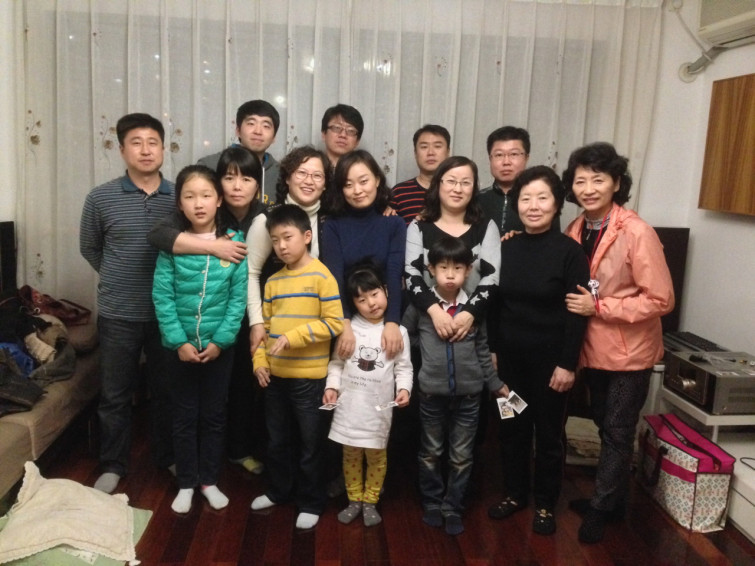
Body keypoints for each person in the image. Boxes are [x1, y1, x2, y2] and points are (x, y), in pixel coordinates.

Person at [562, 142, 674, 543]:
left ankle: (600, 508)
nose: (588, 188)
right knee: (603, 423)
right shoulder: (576, 227)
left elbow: (661, 299)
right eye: (580, 180)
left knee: (617, 429)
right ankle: (614, 500)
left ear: (616, 183)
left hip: (630, 352)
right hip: (593, 348)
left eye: (598, 179)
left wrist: (600, 306)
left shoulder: (637, 231)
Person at [148, 146, 268, 475]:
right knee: (186, 402)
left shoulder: (264, 214)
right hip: (191, 324)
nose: (237, 186)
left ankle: (232, 454)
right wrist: (214, 246)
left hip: (240, 315)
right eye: (229, 178)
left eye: (246, 179)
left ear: (258, 185)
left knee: (239, 389)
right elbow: (158, 235)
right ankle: (185, 465)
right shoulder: (202, 210)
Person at [486, 166, 590, 535]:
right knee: (511, 429)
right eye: (526, 198)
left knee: (548, 436)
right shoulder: (505, 247)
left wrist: (567, 364)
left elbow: (577, 314)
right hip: (509, 364)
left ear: (557, 203)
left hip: (550, 367)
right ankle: (515, 494)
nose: (533, 206)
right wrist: (493, 351)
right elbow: (494, 305)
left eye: (542, 198)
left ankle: (545, 503)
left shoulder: (571, 253)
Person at [80, 112, 175, 494]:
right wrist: (119, 278)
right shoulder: (100, 197)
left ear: (164, 149)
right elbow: (90, 248)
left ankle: (167, 456)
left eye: (153, 142)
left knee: (167, 392)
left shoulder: (179, 197)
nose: (146, 150)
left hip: (168, 314)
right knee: (115, 394)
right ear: (122, 150)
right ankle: (113, 464)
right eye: (136, 142)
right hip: (118, 314)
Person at [152, 165, 248, 514]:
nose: (198, 203)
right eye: (189, 196)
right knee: (183, 416)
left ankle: (208, 481)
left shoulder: (235, 242)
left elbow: (238, 300)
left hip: (219, 349)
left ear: (219, 200)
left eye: (206, 195)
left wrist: (221, 341)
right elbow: (162, 296)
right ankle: (186, 483)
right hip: (178, 349)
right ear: (179, 204)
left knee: (213, 416)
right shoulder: (173, 244)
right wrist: (179, 342)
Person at [402, 236, 506, 536]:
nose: (450, 275)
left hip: (470, 396)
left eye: (458, 268)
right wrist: (425, 345)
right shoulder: (422, 307)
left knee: (461, 456)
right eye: (443, 268)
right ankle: (432, 503)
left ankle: (453, 506)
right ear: (430, 270)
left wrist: (495, 384)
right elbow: (404, 335)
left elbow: (483, 349)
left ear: (468, 270)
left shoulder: (474, 308)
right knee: (430, 452)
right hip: (431, 394)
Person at [251, 204, 344, 530]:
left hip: (309, 381)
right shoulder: (273, 281)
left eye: (287, 237)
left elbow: (334, 323)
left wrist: (294, 337)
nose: (281, 246)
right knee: (277, 441)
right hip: (275, 379)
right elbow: (265, 329)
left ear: (306, 236)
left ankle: (311, 502)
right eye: (275, 240)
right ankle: (278, 491)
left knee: (310, 445)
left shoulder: (322, 276)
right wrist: (259, 362)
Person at [323, 262, 413, 527]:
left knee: (377, 458)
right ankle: (354, 500)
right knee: (350, 456)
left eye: (374, 294)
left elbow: (404, 367)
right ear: (353, 303)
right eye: (362, 300)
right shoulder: (348, 330)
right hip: (349, 408)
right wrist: (331, 387)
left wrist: (404, 389)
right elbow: (336, 364)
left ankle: (371, 501)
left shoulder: (398, 331)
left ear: (386, 290)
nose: (371, 303)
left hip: (378, 411)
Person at [246, 146, 333, 355]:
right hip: (274, 323)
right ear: (287, 178)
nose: (309, 181)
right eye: (301, 173)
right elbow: (250, 272)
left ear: (325, 185)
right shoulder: (267, 219)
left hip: (317, 329)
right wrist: (256, 323)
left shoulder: (332, 221)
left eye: (317, 176)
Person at [321, 149, 407, 361]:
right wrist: (344, 324)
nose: (357, 190)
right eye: (348, 185)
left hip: (383, 315)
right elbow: (334, 278)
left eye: (363, 181)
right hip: (346, 318)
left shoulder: (394, 223)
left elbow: (394, 274)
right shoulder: (332, 225)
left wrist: (392, 322)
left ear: (377, 180)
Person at [405, 156, 500, 344]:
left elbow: (492, 276)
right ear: (438, 184)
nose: (458, 189)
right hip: (427, 327)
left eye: (466, 183)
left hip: (472, 328)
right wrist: (435, 312)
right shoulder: (418, 226)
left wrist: (469, 313)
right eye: (451, 181)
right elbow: (411, 272)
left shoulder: (486, 227)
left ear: (474, 188)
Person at [199, 99, 281, 205]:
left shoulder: (280, 173)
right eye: (251, 123)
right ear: (238, 131)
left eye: (266, 126)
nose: (258, 131)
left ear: (274, 137)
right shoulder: (209, 166)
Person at [479, 126, 557, 236]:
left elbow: (554, 240)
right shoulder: (476, 200)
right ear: (490, 159)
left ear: (526, 157)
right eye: (499, 155)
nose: (506, 162)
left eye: (514, 154)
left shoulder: (542, 201)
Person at [390, 124, 451, 224]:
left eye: (437, 146)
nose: (430, 152)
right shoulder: (398, 193)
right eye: (424, 147)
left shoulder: (458, 191)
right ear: (415, 153)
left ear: (448, 152)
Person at [320, 103, 363, 168]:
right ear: (324, 134)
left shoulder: (363, 171)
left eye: (350, 131)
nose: (343, 135)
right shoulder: (311, 168)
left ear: (357, 141)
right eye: (337, 128)